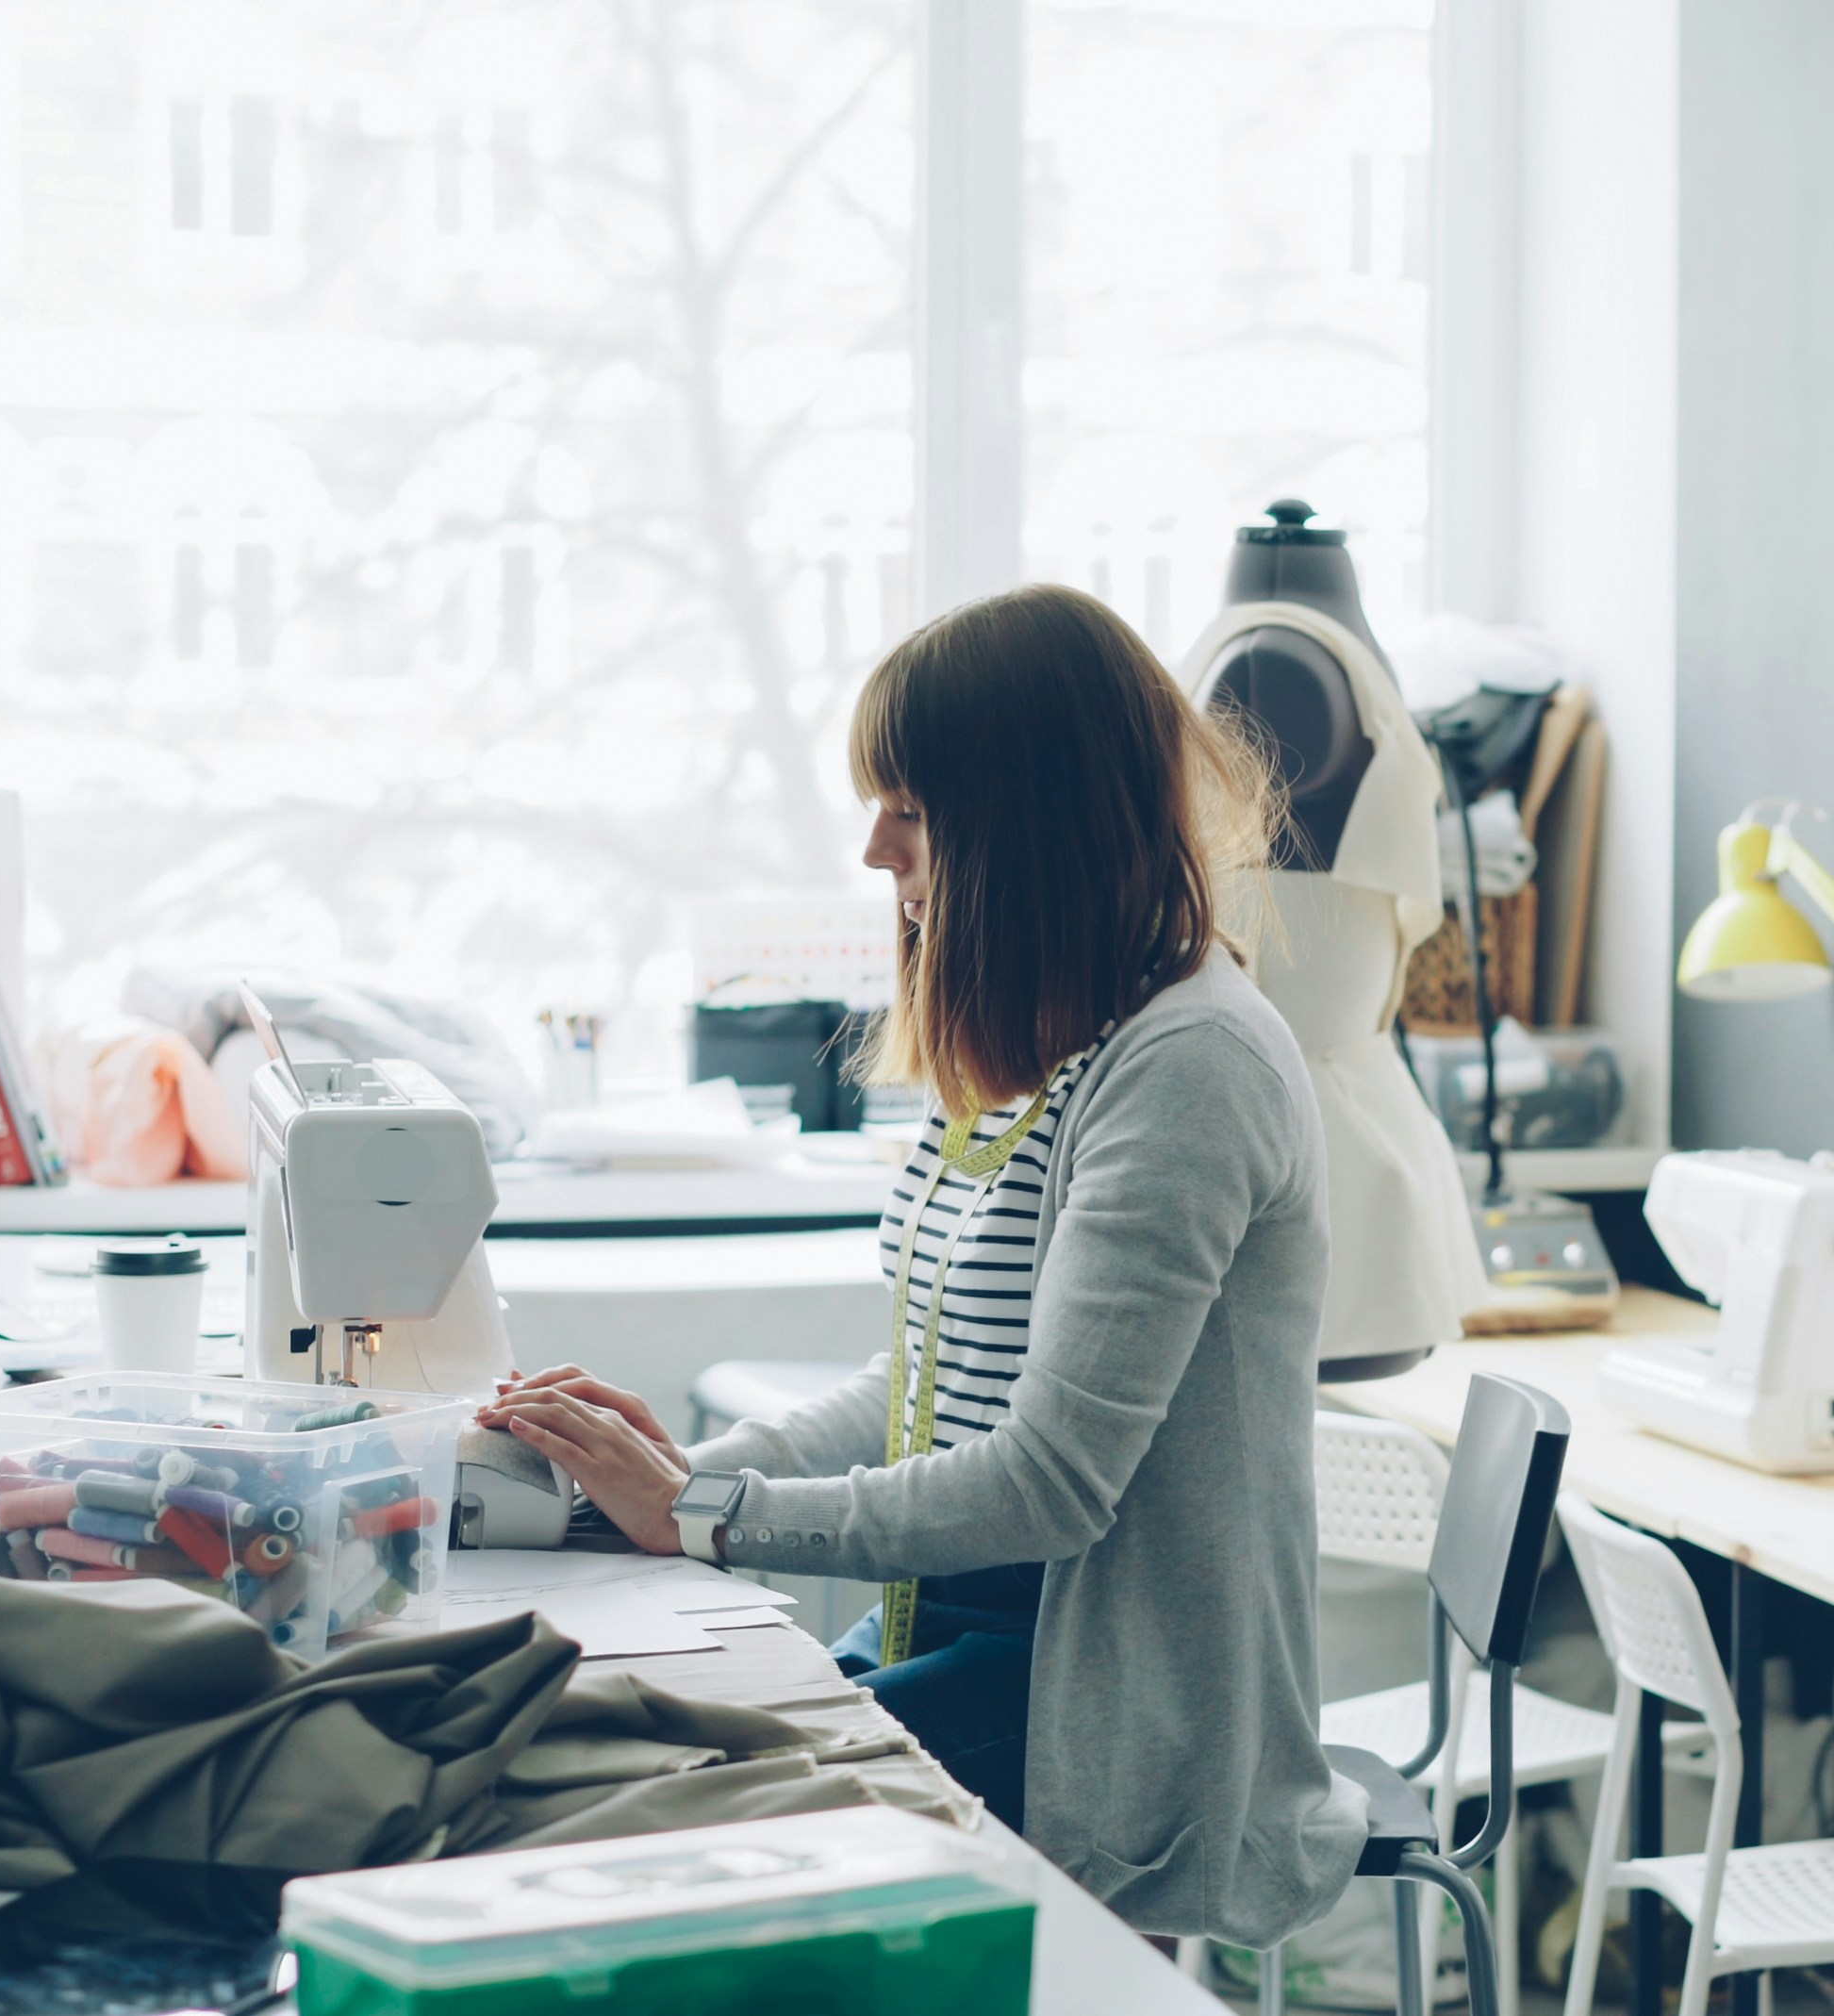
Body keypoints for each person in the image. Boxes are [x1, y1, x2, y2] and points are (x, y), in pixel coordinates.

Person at [479, 583, 1363, 1949]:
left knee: (657, 1835)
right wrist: (675, 1475)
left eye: (909, 800)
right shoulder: (1060, 1041)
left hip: (1094, 1702)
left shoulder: (1191, 1067)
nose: (873, 841)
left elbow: (1049, 1481)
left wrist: (709, 1510)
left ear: (1024, 817)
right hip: (965, 1637)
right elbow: (933, 1383)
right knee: (616, 1759)